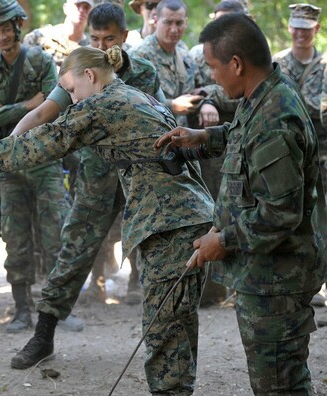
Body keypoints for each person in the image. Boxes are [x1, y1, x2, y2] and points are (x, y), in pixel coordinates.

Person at [0, 44, 214, 393]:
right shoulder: (135, 95)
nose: (72, 99)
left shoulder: (103, 104)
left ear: (90, 76)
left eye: (72, 90)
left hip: (171, 224)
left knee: (165, 330)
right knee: (174, 324)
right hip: (182, 219)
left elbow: (48, 139)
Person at [155, 13, 327, 394]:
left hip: (277, 282)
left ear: (236, 64)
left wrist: (224, 240)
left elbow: (280, 214)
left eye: (215, 67)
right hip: (264, 275)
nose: (212, 77)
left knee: (280, 385)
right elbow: (243, 137)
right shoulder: (260, 99)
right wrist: (202, 136)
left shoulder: (276, 117)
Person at [9, 2, 161, 333]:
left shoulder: (145, 73)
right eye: (95, 39)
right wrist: (10, 144)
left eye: (109, 39)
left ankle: (157, 329)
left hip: (140, 180)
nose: (102, 47)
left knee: (154, 250)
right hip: (96, 179)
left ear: (124, 36)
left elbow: (162, 121)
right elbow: (43, 112)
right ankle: (45, 331)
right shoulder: (80, 68)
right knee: (73, 252)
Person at [0, 0, 70, 334]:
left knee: (56, 233)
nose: (1, 36)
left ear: (18, 26)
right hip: (10, 163)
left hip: (45, 159)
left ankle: (60, 309)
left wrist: (8, 108)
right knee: (15, 237)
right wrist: (27, 105)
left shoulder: (42, 60)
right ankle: (21, 309)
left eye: (5, 28)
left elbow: (54, 106)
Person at [274, 3, 327, 308]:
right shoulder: (277, 64)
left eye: (306, 28)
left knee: (323, 222)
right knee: (295, 220)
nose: (300, 34)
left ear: (316, 30)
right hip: (290, 158)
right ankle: (303, 282)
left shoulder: (325, 65)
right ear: (290, 28)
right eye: (296, 27)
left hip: (322, 156)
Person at [129, 0, 220, 129]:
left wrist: (207, 104)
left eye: (179, 23)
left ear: (186, 22)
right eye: (168, 22)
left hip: (182, 139)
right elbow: (131, 102)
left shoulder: (186, 58)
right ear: (155, 20)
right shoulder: (138, 57)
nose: (174, 29)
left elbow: (200, 89)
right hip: (150, 138)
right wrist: (171, 105)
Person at [23, 0, 94, 68]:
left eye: (86, 7)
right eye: (77, 5)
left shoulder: (93, 48)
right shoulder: (40, 37)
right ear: (65, 8)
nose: (81, 10)